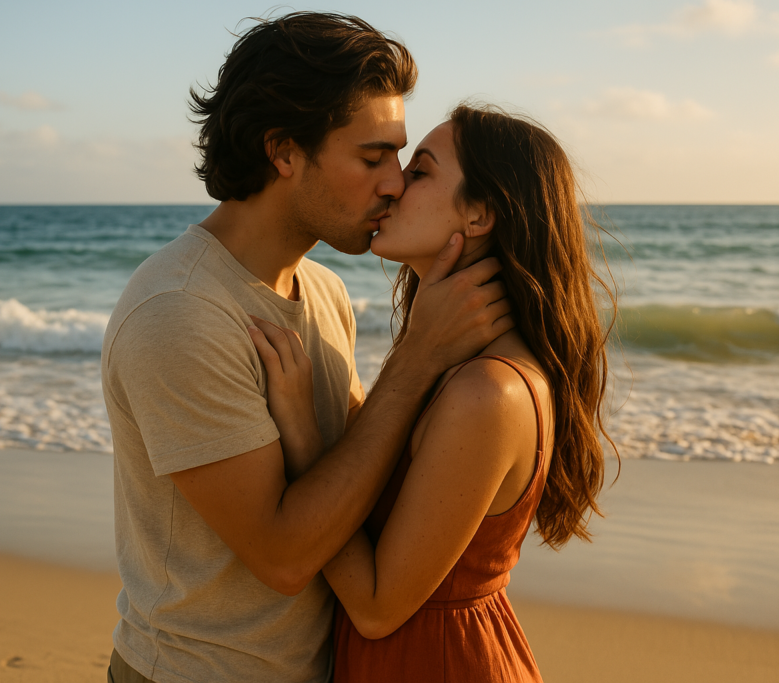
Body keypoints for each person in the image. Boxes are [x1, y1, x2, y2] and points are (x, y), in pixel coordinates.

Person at [100, 14, 513, 683]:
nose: (395, 183)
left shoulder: (322, 289)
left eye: (399, 158)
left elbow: (353, 476)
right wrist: (417, 357)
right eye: (372, 158)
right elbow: (284, 557)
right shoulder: (179, 312)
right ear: (285, 152)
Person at [249, 104, 617, 682]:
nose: (393, 185)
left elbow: (376, 607)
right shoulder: (444, 359)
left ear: (479, 213)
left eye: (418, 171)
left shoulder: (487, 392)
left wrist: (302, 434)